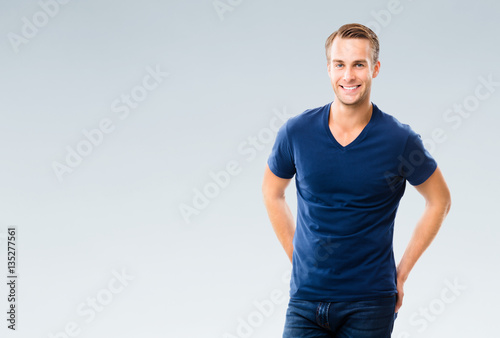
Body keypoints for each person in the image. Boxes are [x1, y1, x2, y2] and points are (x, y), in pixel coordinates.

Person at [261, 23, 451, 337]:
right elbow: (272, 191)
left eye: (358, 65)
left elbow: (440, 201)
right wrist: (297, 257)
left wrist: (400, 275)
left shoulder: (399, 140)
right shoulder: (296, 133)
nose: (348, 76)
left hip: (370, 303)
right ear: (328, 68)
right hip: (306, 301)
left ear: (374, 69)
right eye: (340, 65)